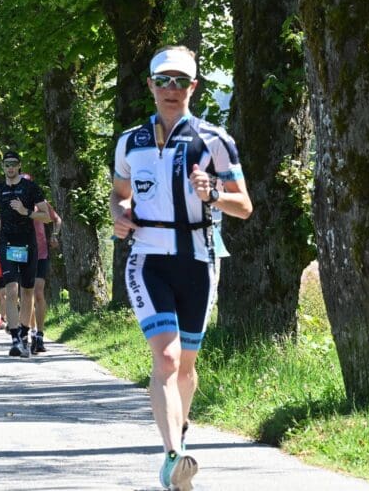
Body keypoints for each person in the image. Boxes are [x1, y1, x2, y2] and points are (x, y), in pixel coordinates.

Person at [110, 45, 252, 490]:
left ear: (193, 87)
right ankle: (174, 457)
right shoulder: (129, 141)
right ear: (150, 85)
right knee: (166, 357)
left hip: (197, 256)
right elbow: (119, 192)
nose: (171, 89)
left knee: (186, 367)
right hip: (147, 256)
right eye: (163, 81)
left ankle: (180, 433)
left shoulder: (214, 139)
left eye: (180, 81)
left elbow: (244, 206)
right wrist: (120, 214)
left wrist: (212, 194)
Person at [0, 151, 50, 357]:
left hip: (28, 243)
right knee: (11, 290)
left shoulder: (31, 188)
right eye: (6, 165)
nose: (10, 168)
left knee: (27, 291)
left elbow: (47, 216)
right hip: (7, 243)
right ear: (2, 167)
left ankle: (24, 332)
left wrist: (26, 212)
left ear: (19, 166)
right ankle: (14, 338)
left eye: (13, 164)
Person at [29, 198, 62, 354]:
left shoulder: (41, 203)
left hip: (41, 254)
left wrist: (54, 235)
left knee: (38, 293)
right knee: (27, 295)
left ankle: (40, 335)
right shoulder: (13, 202)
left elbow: (57, 220)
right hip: (22, 256)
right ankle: (32, 332)